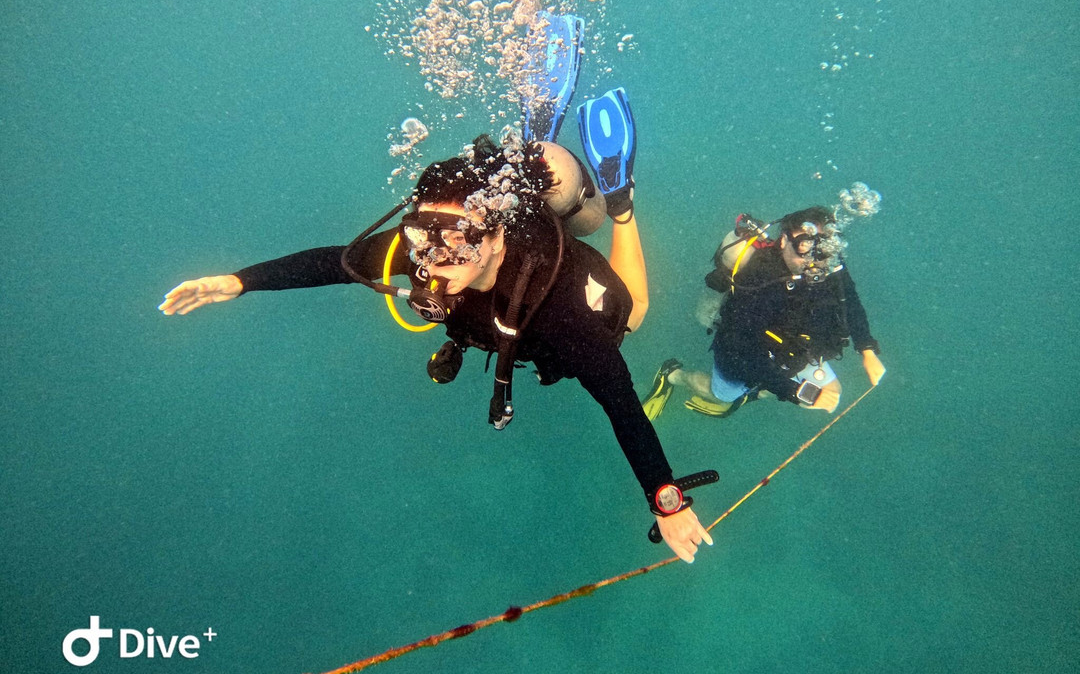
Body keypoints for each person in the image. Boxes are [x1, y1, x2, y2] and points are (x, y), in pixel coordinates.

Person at [160, 123, 713, 563]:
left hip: (592, 303)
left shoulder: (563, 316)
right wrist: (239, 282)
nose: (433, 259)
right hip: (500, 308)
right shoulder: (430, 248)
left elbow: (621, 403)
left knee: (634, 310)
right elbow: (335, 262)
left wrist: (666, 500)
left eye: (456, 242)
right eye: (424, 236)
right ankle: (534, 163)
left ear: (496, 238)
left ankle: (619, 204)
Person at [641, 206, 885, 420]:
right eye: (804, 246)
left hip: (790, 349)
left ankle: (759, 391)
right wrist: (794, 392)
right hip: (741, 355)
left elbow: (850, 301)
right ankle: (673, 375)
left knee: (833, 393)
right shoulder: (759, 282)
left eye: (821, 248)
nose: (812, 258)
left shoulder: (828, 264)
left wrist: (867, 349)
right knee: (722, 396)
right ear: (783, 241)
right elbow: (745, 352)